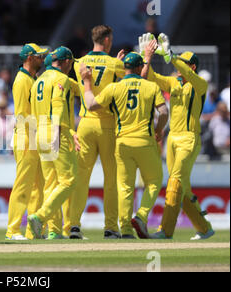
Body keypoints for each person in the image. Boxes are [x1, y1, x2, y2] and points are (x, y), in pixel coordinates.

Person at [79, 51, 169, 239]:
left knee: (125, 187)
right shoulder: (151, 86)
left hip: (121, 143)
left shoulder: (114, 87)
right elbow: (163, 112)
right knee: (154, 181)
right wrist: (159, 130)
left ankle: (126, 229)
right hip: (145, 140)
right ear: (139, 67)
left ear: (125, 68)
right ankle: (142, 216)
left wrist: (87, 84)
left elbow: (91, 105)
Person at [139, 32, 215, 240]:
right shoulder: (174, 84)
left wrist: (172, 56)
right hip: (172, 138)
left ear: (191, 67)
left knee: (175, 182)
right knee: (183, 188)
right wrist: (146, 56)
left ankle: (165, 230)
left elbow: (187, 74)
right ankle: (205, 228)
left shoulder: (199, 84)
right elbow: (150, 78)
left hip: (190, 139)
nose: (176, 66)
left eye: (182, 64)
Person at [69, 25, 126, 239]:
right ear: (108, 39)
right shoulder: (114, 63)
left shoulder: (79, 63)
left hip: (85, 124)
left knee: (81, 178)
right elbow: (131, 73)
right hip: (108, 125)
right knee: (111, 179)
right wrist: (116, 61)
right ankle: (110, 227)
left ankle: (74, 225)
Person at [27, 46, 77, 239]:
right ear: (65, 61)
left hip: (40, 132)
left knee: (51, 183)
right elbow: (57, 106)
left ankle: (55, 230)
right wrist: (56, 132)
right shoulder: (61, 79)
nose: (70, 67)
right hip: (55, 131)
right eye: (70, 63)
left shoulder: (38, 81)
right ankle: (40, 217)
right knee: (68, 180)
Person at [5, 43, 48, 240]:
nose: (43, 59)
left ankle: (34, 231)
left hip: (35, 137)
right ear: (29, 58)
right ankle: (12, 230)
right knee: (23, 185)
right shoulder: (22, 80)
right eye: (39, 56)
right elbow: (22, 114)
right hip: (26, 137)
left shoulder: (32, 78)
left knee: (38, 187)